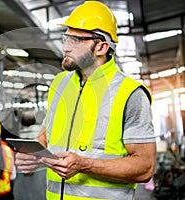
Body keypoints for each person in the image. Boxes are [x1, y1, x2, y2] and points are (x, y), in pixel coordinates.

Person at [15, 1, 156, 199]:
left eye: (75, 40)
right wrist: (33, 155)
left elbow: (145, 167)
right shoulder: (60, 84)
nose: (65, 47)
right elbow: (47, 136)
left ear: (101, 47)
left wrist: (84, 164)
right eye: (66, 38)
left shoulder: (130, 94)